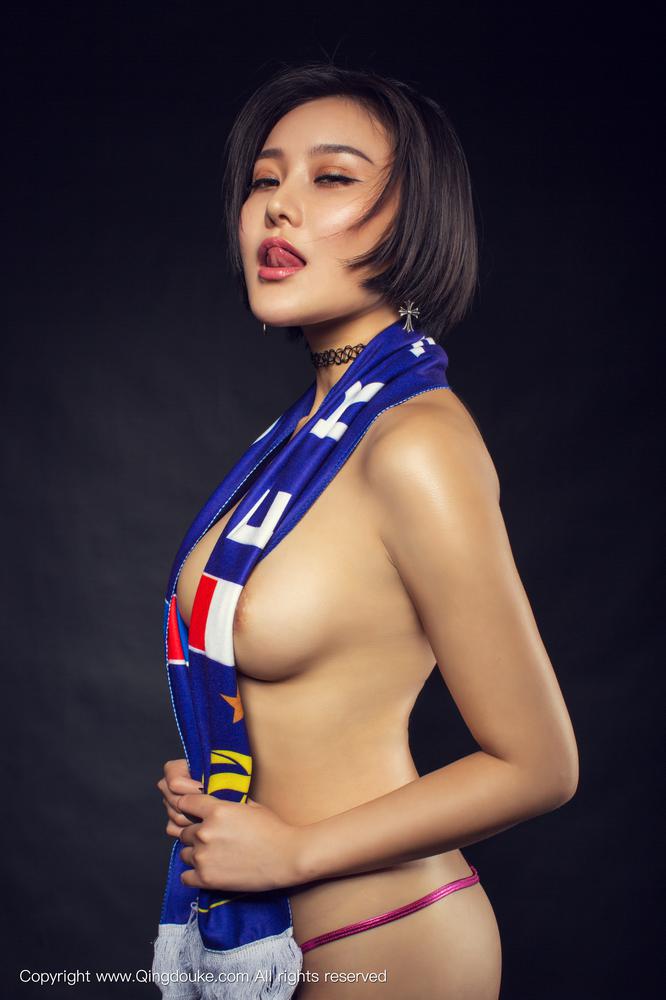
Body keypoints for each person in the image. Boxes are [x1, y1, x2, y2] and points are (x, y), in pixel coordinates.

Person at [156, 62, 579, 1000]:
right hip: (259, 932)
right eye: (265, 180)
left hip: (389, 940)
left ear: (412, 220)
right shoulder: (297, 439)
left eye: (332, 177)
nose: (279, 207)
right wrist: (220, 785)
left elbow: (541, 766)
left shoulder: (415, 443)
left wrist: (291, 851)